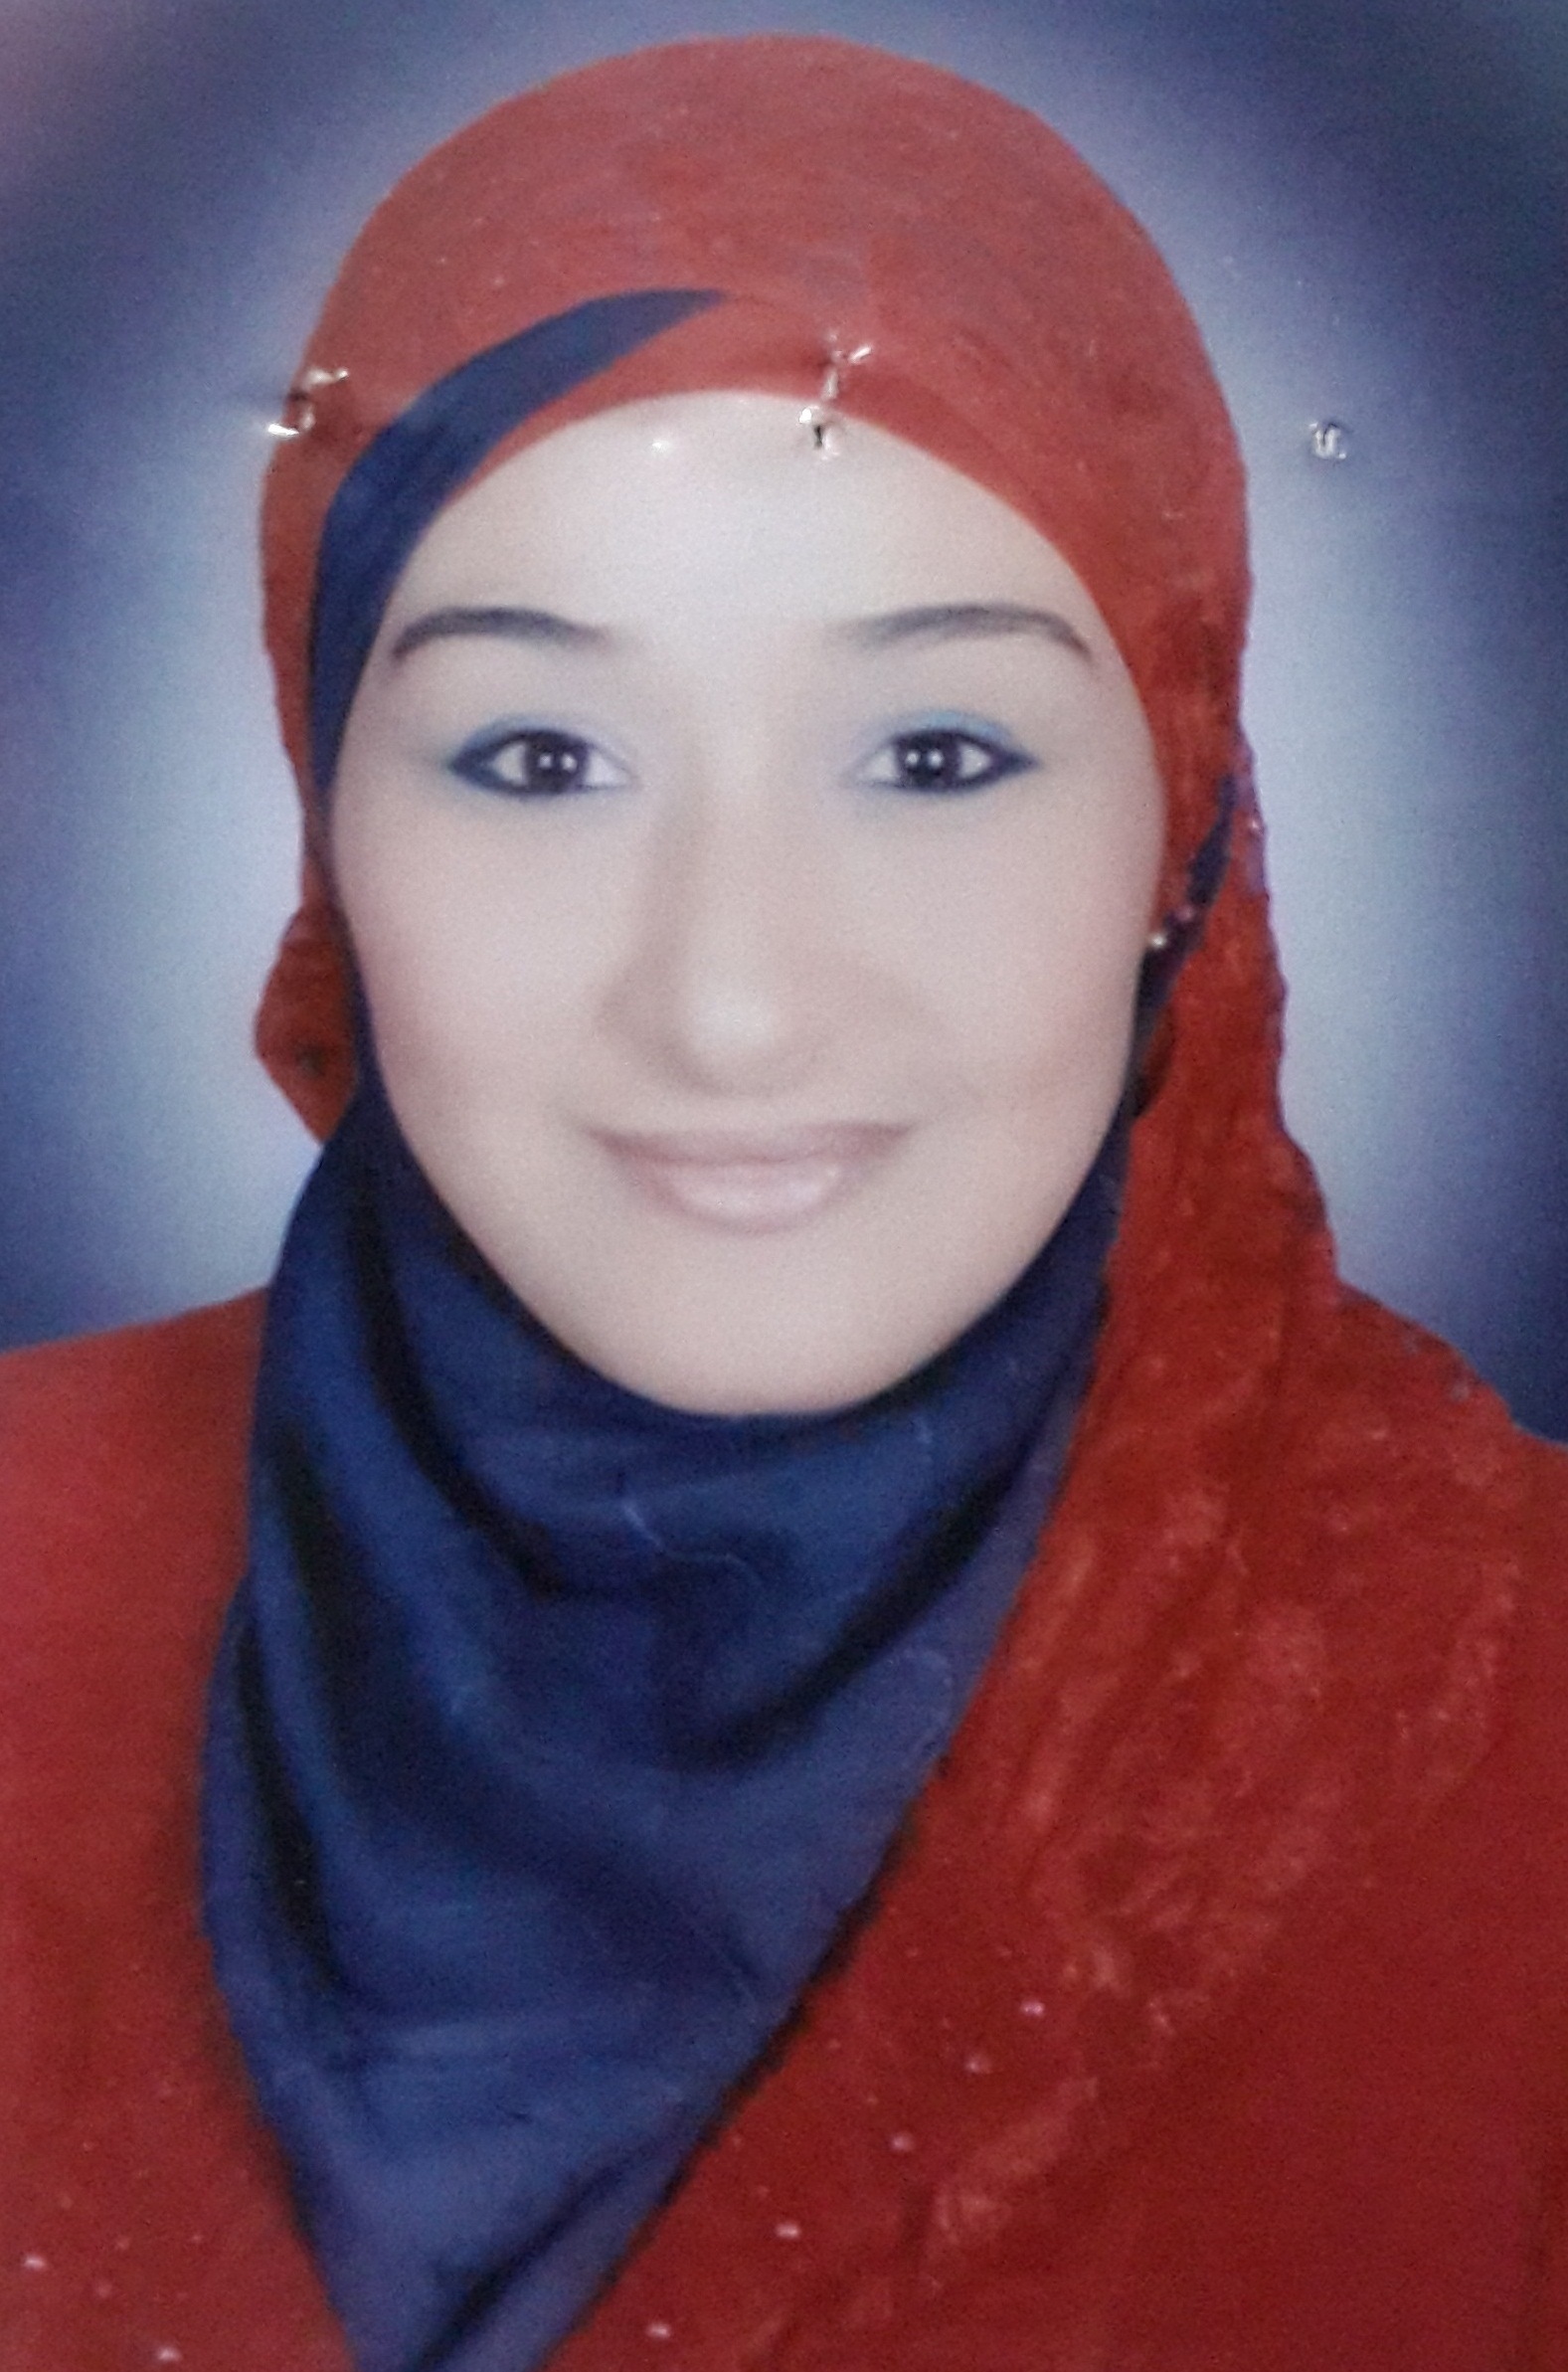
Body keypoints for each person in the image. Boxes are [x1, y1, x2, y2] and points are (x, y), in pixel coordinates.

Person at [3, 34, 1566, 2372]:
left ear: (1184, 836)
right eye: (541, 755)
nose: (730, 1002)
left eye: (934, 754)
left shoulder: (1519, 1727)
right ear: (329, 823)